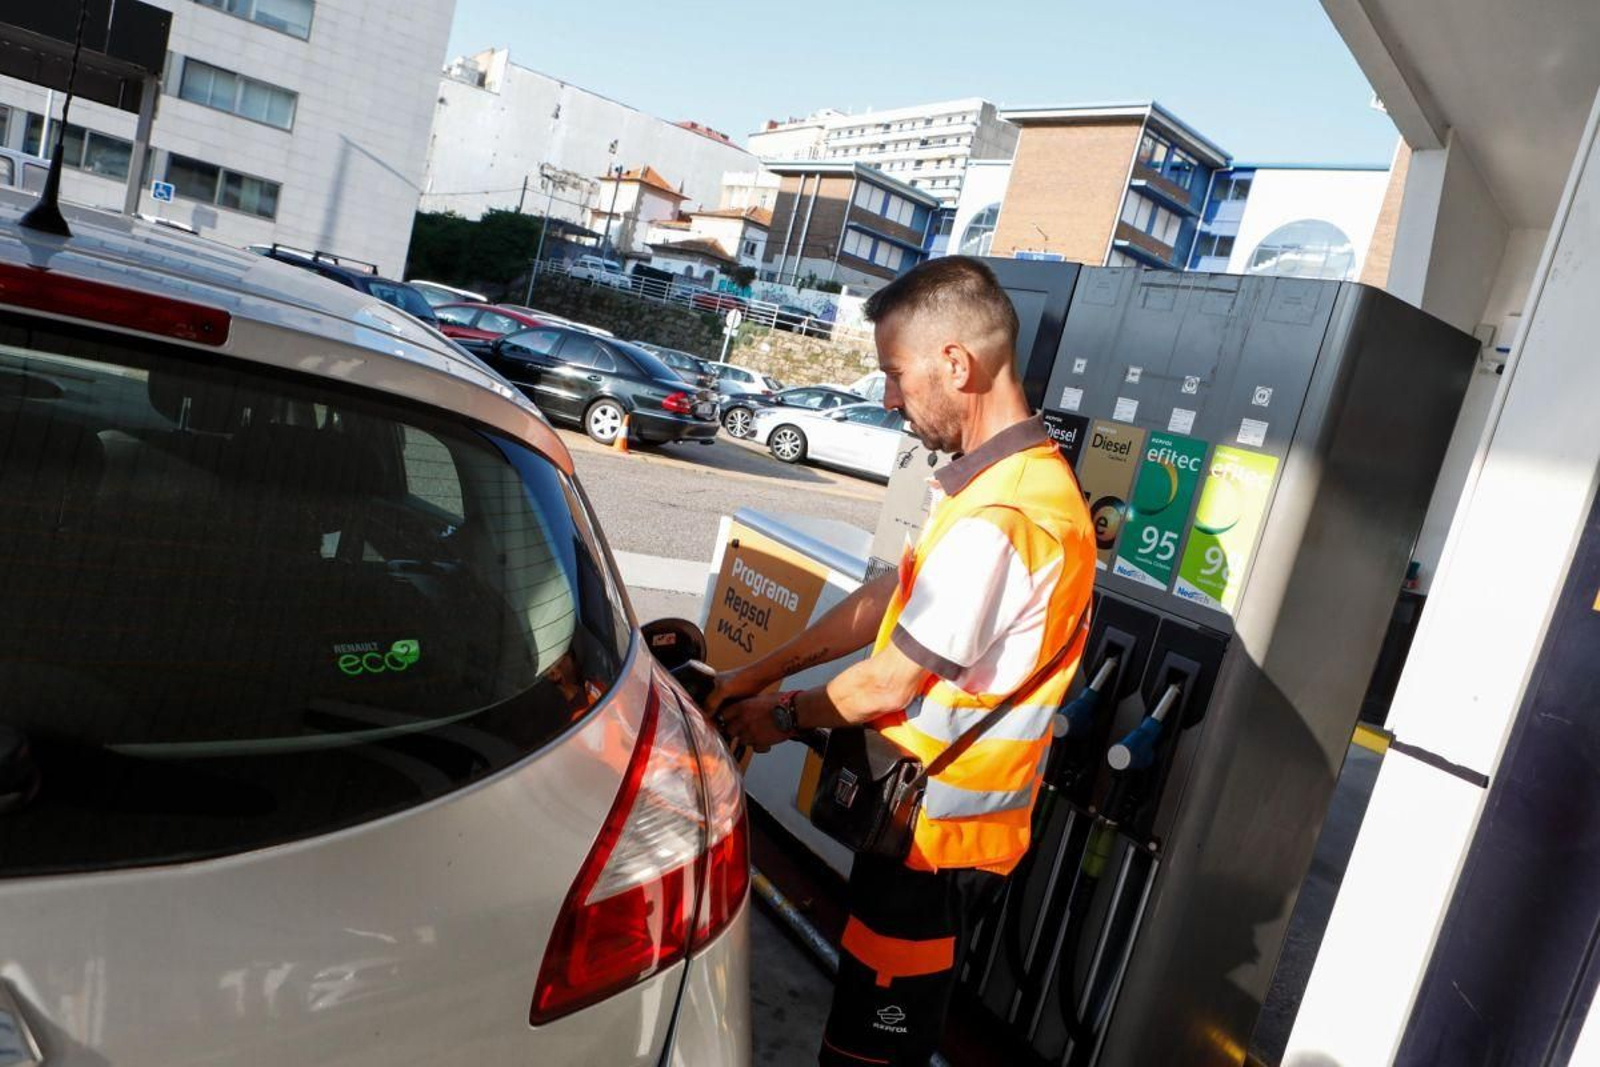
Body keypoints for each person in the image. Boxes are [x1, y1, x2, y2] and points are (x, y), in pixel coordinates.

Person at [709, 256, 1096, 1066]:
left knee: (872, 1050)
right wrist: (761, 669)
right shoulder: (989, 487)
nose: (887, 398)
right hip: (907, 826)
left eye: (895, 373)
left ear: (957, 363)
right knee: (863, 1021)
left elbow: (889, 679)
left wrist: (776, 715)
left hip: (935, 842)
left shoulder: (1011, 511)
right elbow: (892, 594)